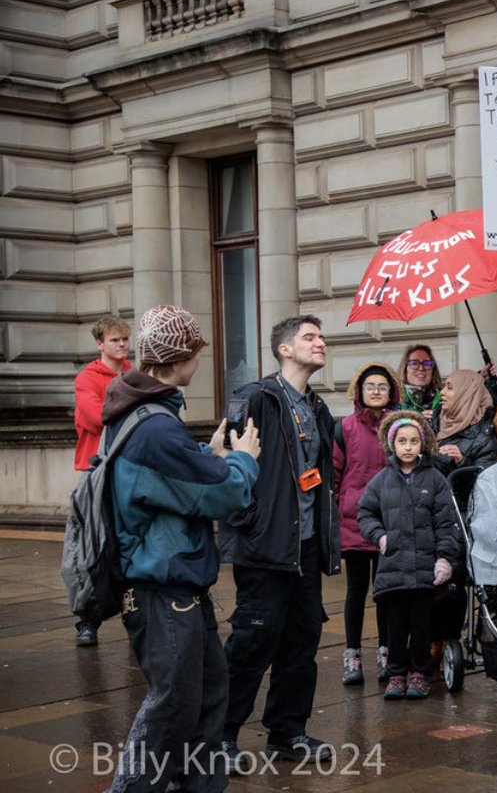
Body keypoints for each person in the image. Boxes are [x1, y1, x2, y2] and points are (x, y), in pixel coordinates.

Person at [103, 305, 260, 792]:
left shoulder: (145, 415)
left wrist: (203, 455)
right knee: (174, 706)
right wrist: (243, 461)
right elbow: (222, 493)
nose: (201, 360)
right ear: (180, 357)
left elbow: (165, 486)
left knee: (209, 698)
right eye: (197, 351)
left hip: (176, 587)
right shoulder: (155, 428)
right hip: (163, 591)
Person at [219, 315, 340, 766]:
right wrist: (250, 522)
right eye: (310, 337)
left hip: (305, 548)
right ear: (284, 349)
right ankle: (220, 735)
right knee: (252, 643)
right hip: (266, 547)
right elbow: (226, 462)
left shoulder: (318, 408)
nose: (320, 342)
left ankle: (287, 734)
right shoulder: (255, 397)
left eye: (321, 336)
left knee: (301, 644)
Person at [358, 410, 461, 700]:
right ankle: (396, 673)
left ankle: (419, 673)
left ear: (422, 443)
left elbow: (446, 523)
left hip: (423, 569)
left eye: (413, 441)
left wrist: (444, 558)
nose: (407, 447)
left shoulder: (435, 479)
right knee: (395, 627)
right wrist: (379, 536)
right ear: (392, 444)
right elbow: (365, 513)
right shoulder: (381, 481)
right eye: (401, 441)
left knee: (421, 626)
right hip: (393, 569)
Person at [333, 363, 401, 685]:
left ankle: (386, 653)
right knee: (356, 592)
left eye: (382, 386)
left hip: (390, 519)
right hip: (355, 521)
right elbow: (335, 474)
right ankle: (352, 655)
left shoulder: (400, 426)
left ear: (392, 391)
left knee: (385, 592)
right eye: (370, 385)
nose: (376, 391)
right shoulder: (345, 428)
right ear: (359, 391)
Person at [71, 315, 132, 647]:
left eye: (124, 339)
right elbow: (98, 418)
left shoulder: (133, 375)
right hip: (96, 470)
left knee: (128, 543)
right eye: (114, 340)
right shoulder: (88, 378)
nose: (121, 345)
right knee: (93, 547)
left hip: (127, 466)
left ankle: (134, 612)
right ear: (100, 344)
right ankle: (87, 620)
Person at [435, 369, 497, 475]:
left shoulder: (485, 440)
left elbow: (485, 485)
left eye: (449, 387)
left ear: (466, 394)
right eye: (444, 387)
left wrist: (461, 462)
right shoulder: (434, 420)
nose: (442, 392)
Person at [399, 343, 443, 419]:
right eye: (414, 363)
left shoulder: (443, 399)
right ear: (405, 368)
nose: (421, 368)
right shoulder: (395, 398)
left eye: (427, 363)